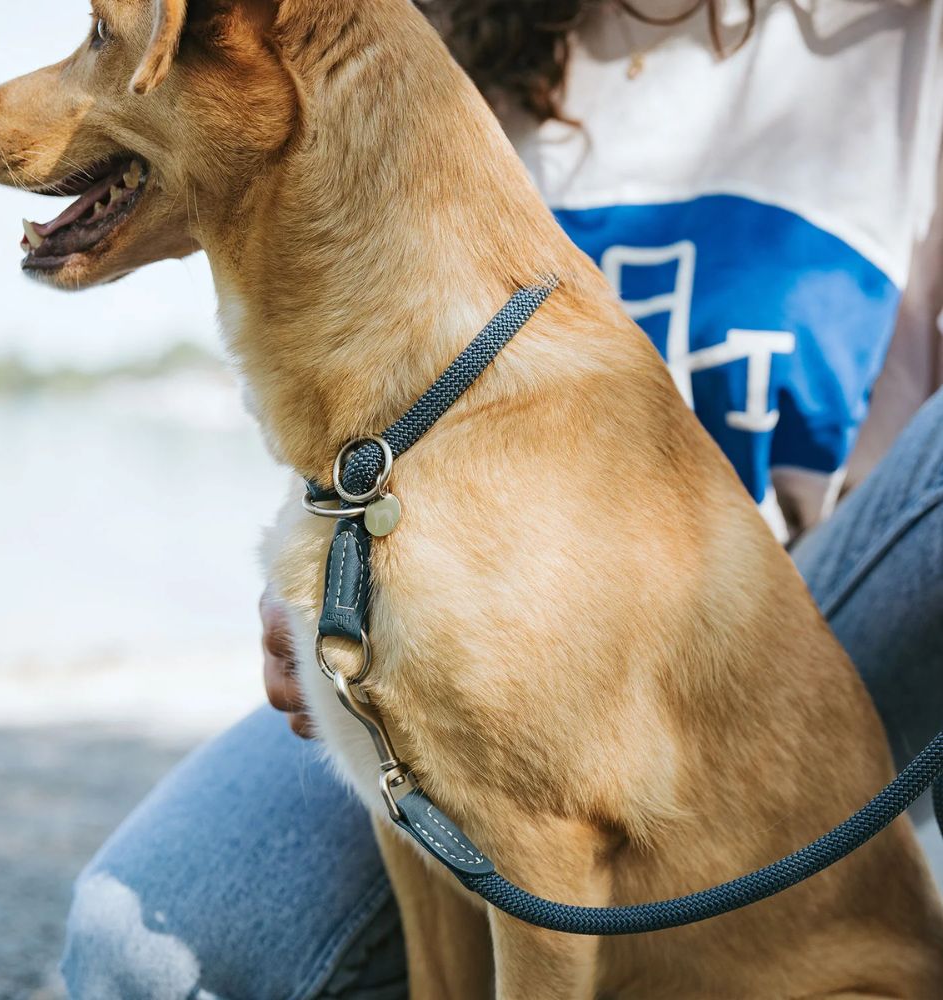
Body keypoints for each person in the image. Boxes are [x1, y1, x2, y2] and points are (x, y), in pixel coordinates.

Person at [61, 1, 943, 996]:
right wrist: (332, 586)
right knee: (135, 945)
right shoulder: (396, 44)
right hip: (486, 619)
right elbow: (365, 392)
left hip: (818, 611)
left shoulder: (910, 39)